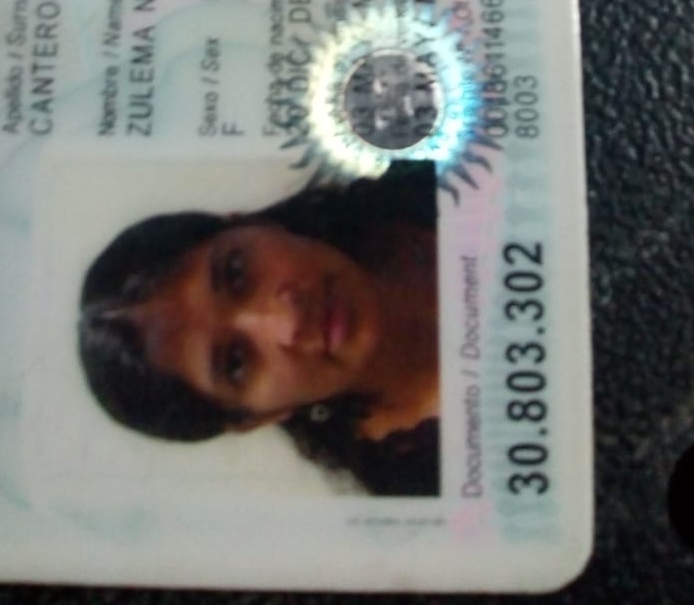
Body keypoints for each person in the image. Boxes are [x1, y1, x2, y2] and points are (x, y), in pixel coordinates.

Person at [78, 161, 440, 496]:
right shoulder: (425, 494)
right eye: (235, 362)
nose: (287, 320)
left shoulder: (433, 159)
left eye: (235, 274)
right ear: (256, 417)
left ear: (253, 225)